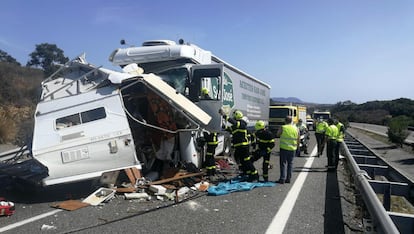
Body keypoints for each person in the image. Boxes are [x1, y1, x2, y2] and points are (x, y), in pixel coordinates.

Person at [219, 109, 259, 182]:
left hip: (244, 146)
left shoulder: (241, 123)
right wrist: (223, 126)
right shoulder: (236, 126)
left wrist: (224, 115)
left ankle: (255, 175)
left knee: (247, 161)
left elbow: (234, 123)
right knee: (239, 159)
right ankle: (245, 172)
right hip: (239, 146)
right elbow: (229, 129)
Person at [276, 116, 299, 184]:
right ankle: (288, 178)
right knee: (290, 163)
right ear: (291, 121)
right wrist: (298, 147)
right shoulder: (296, 128)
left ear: (285, 121)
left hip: (284, 148)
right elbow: (298, 138)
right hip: (292, 148)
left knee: (283, 163)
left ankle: (282, 178)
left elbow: (277, 134)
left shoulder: (283, 127)